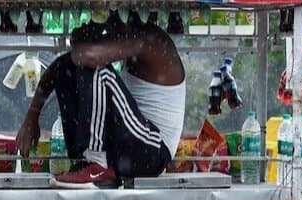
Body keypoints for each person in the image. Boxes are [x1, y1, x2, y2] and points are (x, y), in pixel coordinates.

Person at [16, 13, 186, 188]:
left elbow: (89, 56)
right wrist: (32, 114)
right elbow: (61, 65)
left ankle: (95, 162)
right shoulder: (129, 35)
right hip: (129, 148)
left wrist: (85, 37)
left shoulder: (152, 39)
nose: (109, 22)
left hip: (152, 152)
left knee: (97, 70)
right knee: (68, 67)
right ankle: (85, 162)